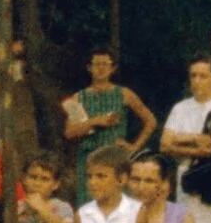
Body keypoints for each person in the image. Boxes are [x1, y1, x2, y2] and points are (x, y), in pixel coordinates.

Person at [61, 48, 155, 201]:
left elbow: (150, 121)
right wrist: (94, 121)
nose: (101, 68)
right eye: (97, 64)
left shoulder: (124, 94)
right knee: (89, 204)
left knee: (119, 203)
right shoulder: (78, 97)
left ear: (113, 68)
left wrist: (134, 147)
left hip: (116, 158)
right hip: (89, 159)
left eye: (105, 64)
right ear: (89, 68)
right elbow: (69, 132)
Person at [157, 58, 211, 206]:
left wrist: (181, 138)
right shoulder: (180, 108)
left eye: (203, 76)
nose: (196, 81)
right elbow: (164, 145)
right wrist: (197, 150)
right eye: (193, 76)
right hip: (189, 177)